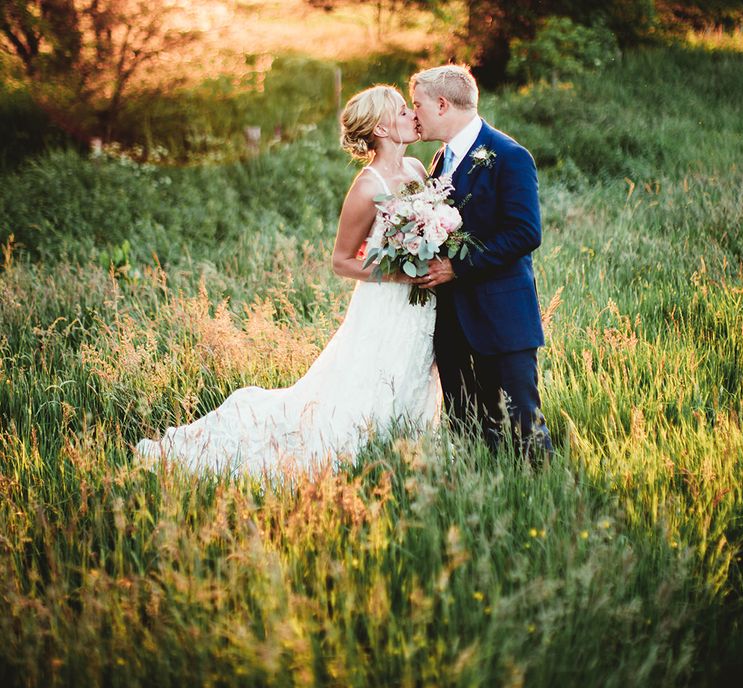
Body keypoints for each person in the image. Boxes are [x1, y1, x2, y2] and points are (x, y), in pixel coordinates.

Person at [135, 86, 440, 474]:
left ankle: (406, 449)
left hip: (421, 303)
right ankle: (361, 450)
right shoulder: (367, 187)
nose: (411, 116)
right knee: (371, 375)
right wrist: (396, 274)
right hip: (385, 301)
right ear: (381, 128)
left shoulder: (416, 169)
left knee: (411, 369)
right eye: (401, 112)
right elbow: (342, 261)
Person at [409, 64, 553, 461]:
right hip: (453, 320)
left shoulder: (509, 155)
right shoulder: (440, 160)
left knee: (524, 424)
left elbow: (526, 233)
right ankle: (482, 494)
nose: (413, 113)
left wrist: (458, 267)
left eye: (417, 105)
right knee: (468, 427)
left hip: (503, 316)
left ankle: (546, 497)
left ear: (441, 104)